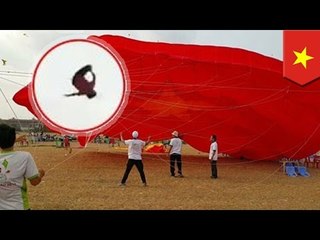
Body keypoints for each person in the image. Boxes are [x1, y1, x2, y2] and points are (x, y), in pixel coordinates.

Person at [0, 124, 45, 210]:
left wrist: (13, 140)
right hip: (19, 206)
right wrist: (41, 173)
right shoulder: (25, 156)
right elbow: (34, 182)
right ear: (13, 139)